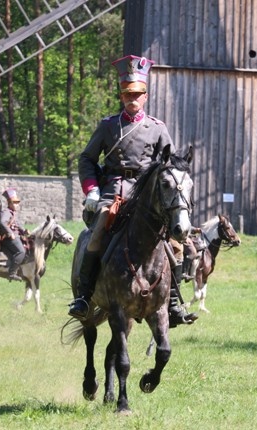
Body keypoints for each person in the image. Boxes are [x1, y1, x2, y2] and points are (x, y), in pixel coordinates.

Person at [68, 54, 198, 327]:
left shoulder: (157, 128)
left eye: (137, 94)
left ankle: (173, 303)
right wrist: (91, 190)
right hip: (113, 192)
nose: (132, 99)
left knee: (175, 245)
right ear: (121, 95)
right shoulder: (107, 126)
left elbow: (173, 166)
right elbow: (86, 159)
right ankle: (83, 296)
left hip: (148, 198)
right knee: (98, 234)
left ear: (145, 95)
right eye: (127, 93)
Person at [0, 188, 27, 281]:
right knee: (21, 252)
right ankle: (12, 273)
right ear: (9, 203)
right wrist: (10, 233)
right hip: (8, 238)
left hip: (16, 236)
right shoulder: (6, 212)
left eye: (17, 203)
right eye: (14, 203)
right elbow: (2, 222)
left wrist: (24, 231)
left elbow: (17, 225)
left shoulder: (13, 213)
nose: (16, 205)